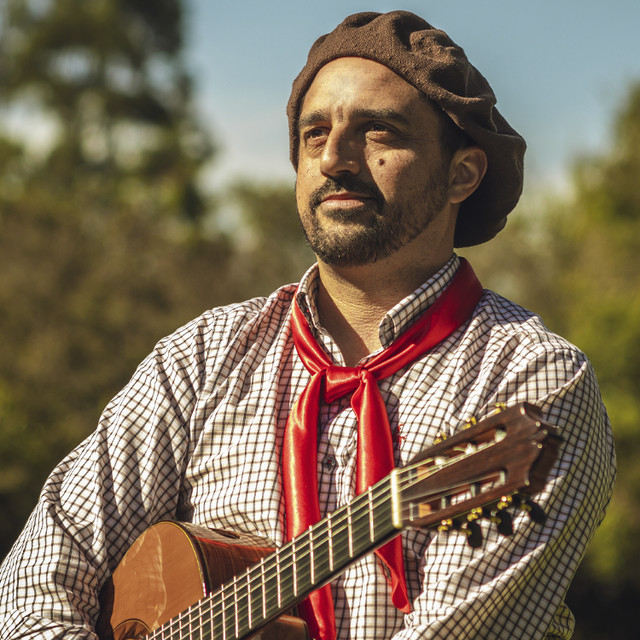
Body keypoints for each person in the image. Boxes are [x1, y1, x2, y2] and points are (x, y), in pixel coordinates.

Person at [0, 10, 615, 640]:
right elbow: (37, 579)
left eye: (379, 131)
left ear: (462, 173)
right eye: (315, 133)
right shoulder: (202, 357)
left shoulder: (531, 382)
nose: (335, 159)